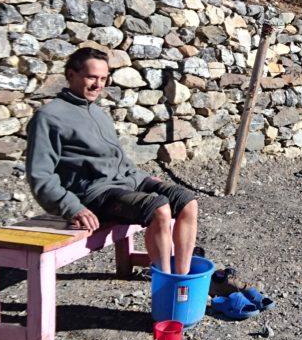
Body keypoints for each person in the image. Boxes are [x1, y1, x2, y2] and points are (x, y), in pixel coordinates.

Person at [25, 47, 199, 275]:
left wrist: (143, 179)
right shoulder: (49, 117)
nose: (98, 85)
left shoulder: (98, 113)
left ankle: (182, 277)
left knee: (187, 201)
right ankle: (165, 284)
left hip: (122, 184)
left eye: (103, 79)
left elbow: (117, 161)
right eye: (91, 77)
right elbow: (40, 175)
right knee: (159, 209)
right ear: (70, 75)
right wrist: (72, 207)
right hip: (94, 195)